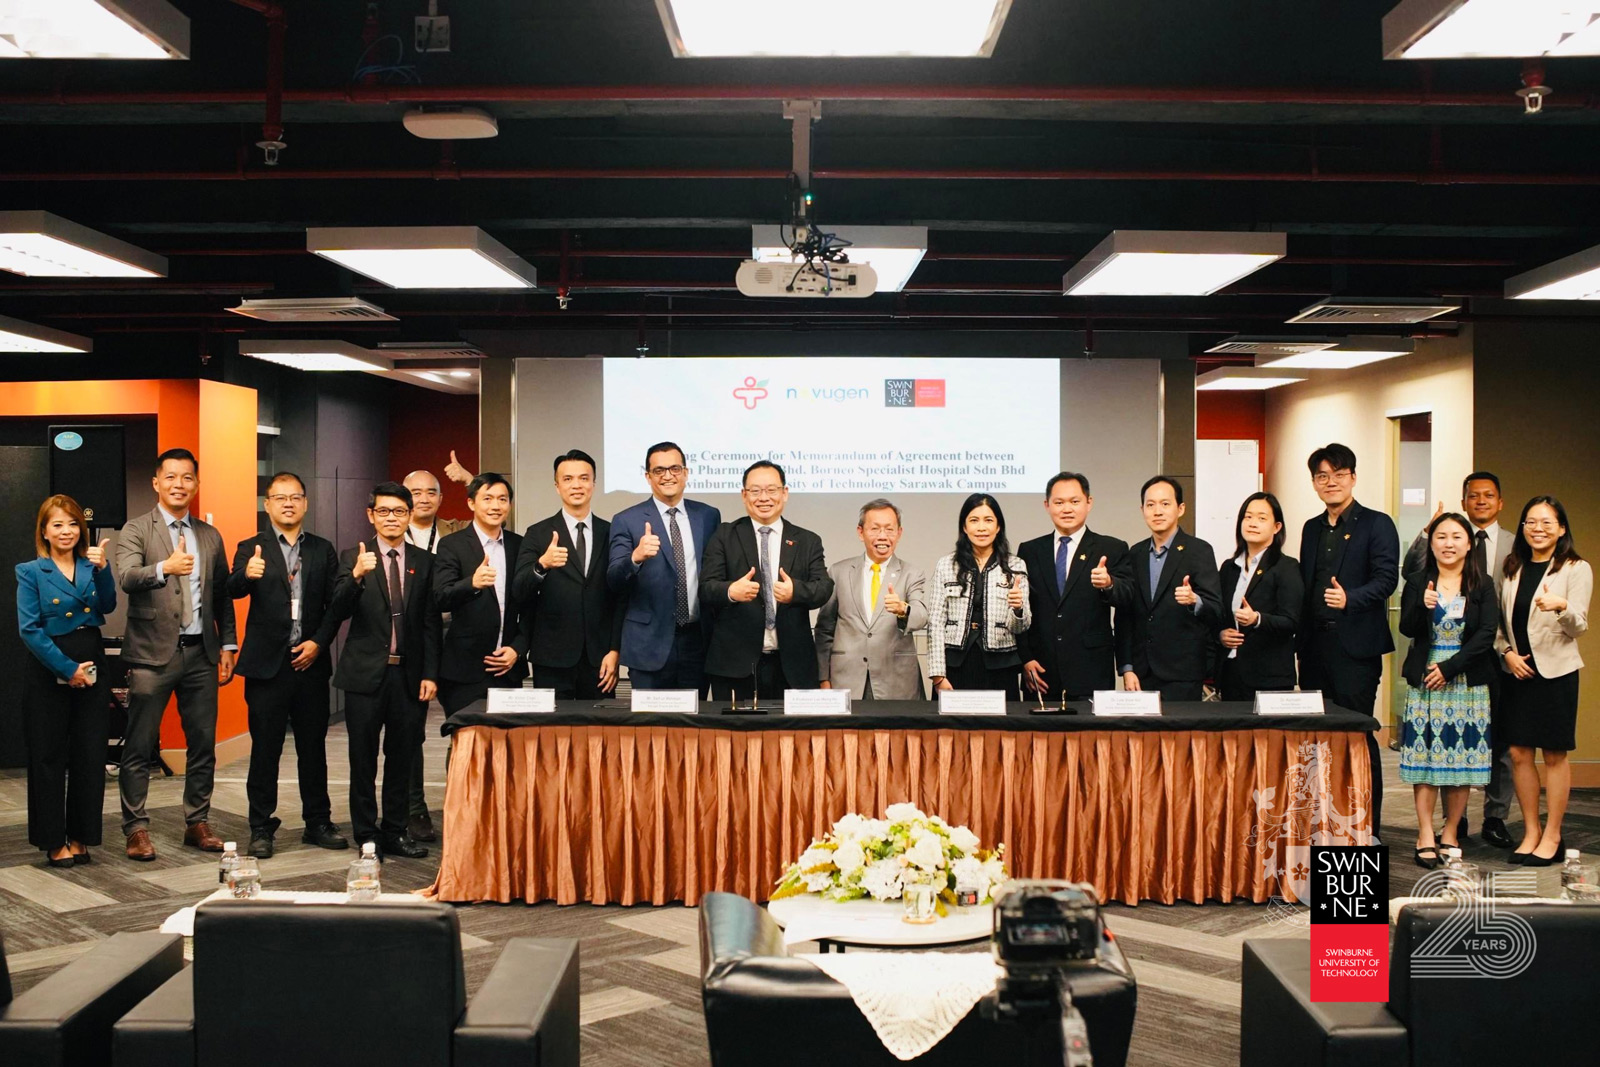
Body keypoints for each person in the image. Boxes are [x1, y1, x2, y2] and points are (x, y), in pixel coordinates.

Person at [113, 448, 237, 861]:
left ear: (196, 485)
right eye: (171, 477)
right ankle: (136, 828)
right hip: (151, 655)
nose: (179, 485)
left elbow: (221, 597)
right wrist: (165, 567)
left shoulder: (209, 535)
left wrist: (227, 644)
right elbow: (128, 577)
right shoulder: (136, 529)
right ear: (156, 482)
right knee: (140, 745)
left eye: (187, 478)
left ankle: (196, 821)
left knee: (203, 743)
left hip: (201, 652)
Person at [227, 472, 348, 860]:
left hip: (309, 663)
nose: (288, 504)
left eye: (295, 497)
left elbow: (337, 605)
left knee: (313, 749)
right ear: (267, 504)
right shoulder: (251, 548)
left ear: (306, 503)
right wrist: (246, 575)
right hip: (267, 666)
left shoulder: (322, 549)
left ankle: (318, 822)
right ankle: (261, 827)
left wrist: (319, 642)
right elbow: (229, 589)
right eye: (279, 498)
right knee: (265, 750)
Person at [1402, 473, 1516, 848]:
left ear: (1469, 544)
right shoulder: (1420, 581)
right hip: (1425, 679)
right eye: (1441, 537)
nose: (1448, 544)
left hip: (1466, 680)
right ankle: (1424, 833)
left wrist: (1450, 669)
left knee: (1462, 762)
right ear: (1431, 543)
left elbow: (1486, 634)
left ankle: (1450, 833)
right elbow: (1407, 628)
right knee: (1426, 761)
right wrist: (1423, 606)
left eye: (1456, 537)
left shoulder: (1481, 583)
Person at [329, 482, 442, 858]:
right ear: (370, 515)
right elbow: (338, 609)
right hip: (365, 677)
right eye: (383, 511)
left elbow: (429, 623)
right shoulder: (352, 556)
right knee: (362, 758)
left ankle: (395, 831)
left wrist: (430, 673)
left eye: (398, 512)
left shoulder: (424, 562)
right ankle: (366, 833)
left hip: (408, 677)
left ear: (409, 516)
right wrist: (358, 574)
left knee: (402, 757)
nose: (391, 518)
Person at [1295, 442, 1398, 837]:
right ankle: (1325, 817)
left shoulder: (1377, 523)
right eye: (1322, 476)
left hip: (1356, 648)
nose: (1331, 482)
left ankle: (1367, 820)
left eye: (1339, 474)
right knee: (1319, 737)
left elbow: (1387, 580)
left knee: (1357, 733)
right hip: (1315, 649)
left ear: (1353, 478)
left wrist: (1350, 598)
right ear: (1314, 483)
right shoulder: (1310, 528)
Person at [15, 495, 115, 867]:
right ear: (44, 530)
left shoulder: (92, 566)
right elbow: (29, 629)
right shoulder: (29, 571)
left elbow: (107, 606)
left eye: (73, 524)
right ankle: (52, 838)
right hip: (49, 665)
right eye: (58, 524)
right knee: (49, 755)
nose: (67, 531)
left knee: (90, 753)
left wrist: (104, 570)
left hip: (93, 660)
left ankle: (81, 835)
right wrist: (66, 668)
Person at [1496, 495, 1591, 867]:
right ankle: (1531, 830)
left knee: (1554, 754)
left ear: (1561, 528)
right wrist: (1506, 654)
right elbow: (1500, 626)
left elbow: (1579, 626)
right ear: (1522, 528)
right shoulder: (1512, 567)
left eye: (1547, 522)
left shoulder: (1575, 568)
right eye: (1531, 522)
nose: (1538, 528)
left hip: (1556, 673)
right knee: (1519, 753)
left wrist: (1563, 607)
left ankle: (1553, 833)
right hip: (1518, 671)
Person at [700, 460, 833, 700]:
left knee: (790, 736)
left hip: (791, 665)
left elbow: (823, 588)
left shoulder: (807, 540)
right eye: (755, 491)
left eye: (771, 490)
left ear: (785, 493)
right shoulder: (724, 535)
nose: (764, 498)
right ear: (744, 495)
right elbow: (706, 589)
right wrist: (731, 591)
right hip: (734, 665)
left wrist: (796, 592)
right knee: (735, 737)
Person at [607, 441, 721, 690]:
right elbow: (614, 580)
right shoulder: (626, 520)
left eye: (675, 469)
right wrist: (635, 557)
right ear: (648, 476)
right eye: (659, 470)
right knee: (650, 726)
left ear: (686, 473)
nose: (668, 476)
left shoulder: (708, 516)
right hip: (648, 644)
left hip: (698, 642)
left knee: (694, 725)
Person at [511, 450, 622, 700]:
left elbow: (620, 598)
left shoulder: (612, 532)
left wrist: (615, 650)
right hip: (551, 656)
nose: (576, 485)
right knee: (552, 734)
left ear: (594, 483)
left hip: (600, 658)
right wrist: (541, 565)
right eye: (568, 479)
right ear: (557, 486)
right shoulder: (538, 533)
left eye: (584, 478)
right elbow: (519, 589)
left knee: (598, 734)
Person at [1018, 472, 1133, 703]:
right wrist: (1025, 659)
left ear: (1089, 503)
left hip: (1090, 672)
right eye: (1059, 503)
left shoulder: (1111, 547)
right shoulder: (1030, 551)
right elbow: (1022, 610)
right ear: (1047, 505)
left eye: (1075, 501)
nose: (1066, 509)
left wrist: (1109, 584)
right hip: (1040, 672)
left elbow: (1128, 597)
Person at [398, 466, 467, 843]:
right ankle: (414, 808)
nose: (423, 498)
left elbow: (494, 507)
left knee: (462, 725)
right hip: (411, 638)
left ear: (441, 498)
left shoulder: (455, 531)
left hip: (454, 633)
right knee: (411, 730)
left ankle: (459, 801)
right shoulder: (391, 530)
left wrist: (469, 480)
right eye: (416, 492)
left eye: (431, 492)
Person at [1114, 476, 1223, 701]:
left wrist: (1195, 600)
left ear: (1180, 508)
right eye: (1150, 505)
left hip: (1183, 672)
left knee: (1181, 737)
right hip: (1141, 673)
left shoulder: (1199, 551)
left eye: (1165, 504)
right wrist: (1127, 667)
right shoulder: (1135, 553)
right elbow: (1125, 616)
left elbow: (1217, 609)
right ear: (1142, 509)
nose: (1157, 511)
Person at [432, 473, 530, 713]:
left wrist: (518, 649)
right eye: (487, 498)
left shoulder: (520, 545)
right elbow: (440, 596)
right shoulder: (452, 544)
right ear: (471, 503)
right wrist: (472, 583)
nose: (495, 506)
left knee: (506, 746)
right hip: (465, 670)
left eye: (502, 499)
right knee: (467, 744)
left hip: (508, 668)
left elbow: (530, 605)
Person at [813, 498, 927, 701]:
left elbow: (920, 616)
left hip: (896, 682)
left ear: (899, 533)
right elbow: (824, 630)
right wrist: (823, 678)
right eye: (875, 529)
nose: (882, 536)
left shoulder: (912, 573)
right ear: (860, 532)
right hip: (847, 680)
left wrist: (903, 609)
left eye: (889, 529)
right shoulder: (838, 572)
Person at [928, 494, 1032, 698]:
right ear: (964, 527)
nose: (981, 527)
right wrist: (938, 676)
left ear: (998, 526)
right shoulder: (946, 565)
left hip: (1001, 666)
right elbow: (935, 622)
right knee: (951, 729)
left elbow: (1021, 626)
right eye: (974, 520)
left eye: (988, 520)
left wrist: (1018, 609)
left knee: (1002, 730)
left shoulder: (1015, 565)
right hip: (955, 665)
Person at [1216, 492, 1303, 702]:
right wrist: (1220, 634)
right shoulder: (1229, 568)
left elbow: (1292, 621)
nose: (1253, 523)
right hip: (1230, 672)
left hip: (1269, 678)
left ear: (1277, 527)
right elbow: (1218, 614)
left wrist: (1258, 619)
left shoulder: (1286, 567)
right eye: (1248, 517)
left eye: (1262, 518)